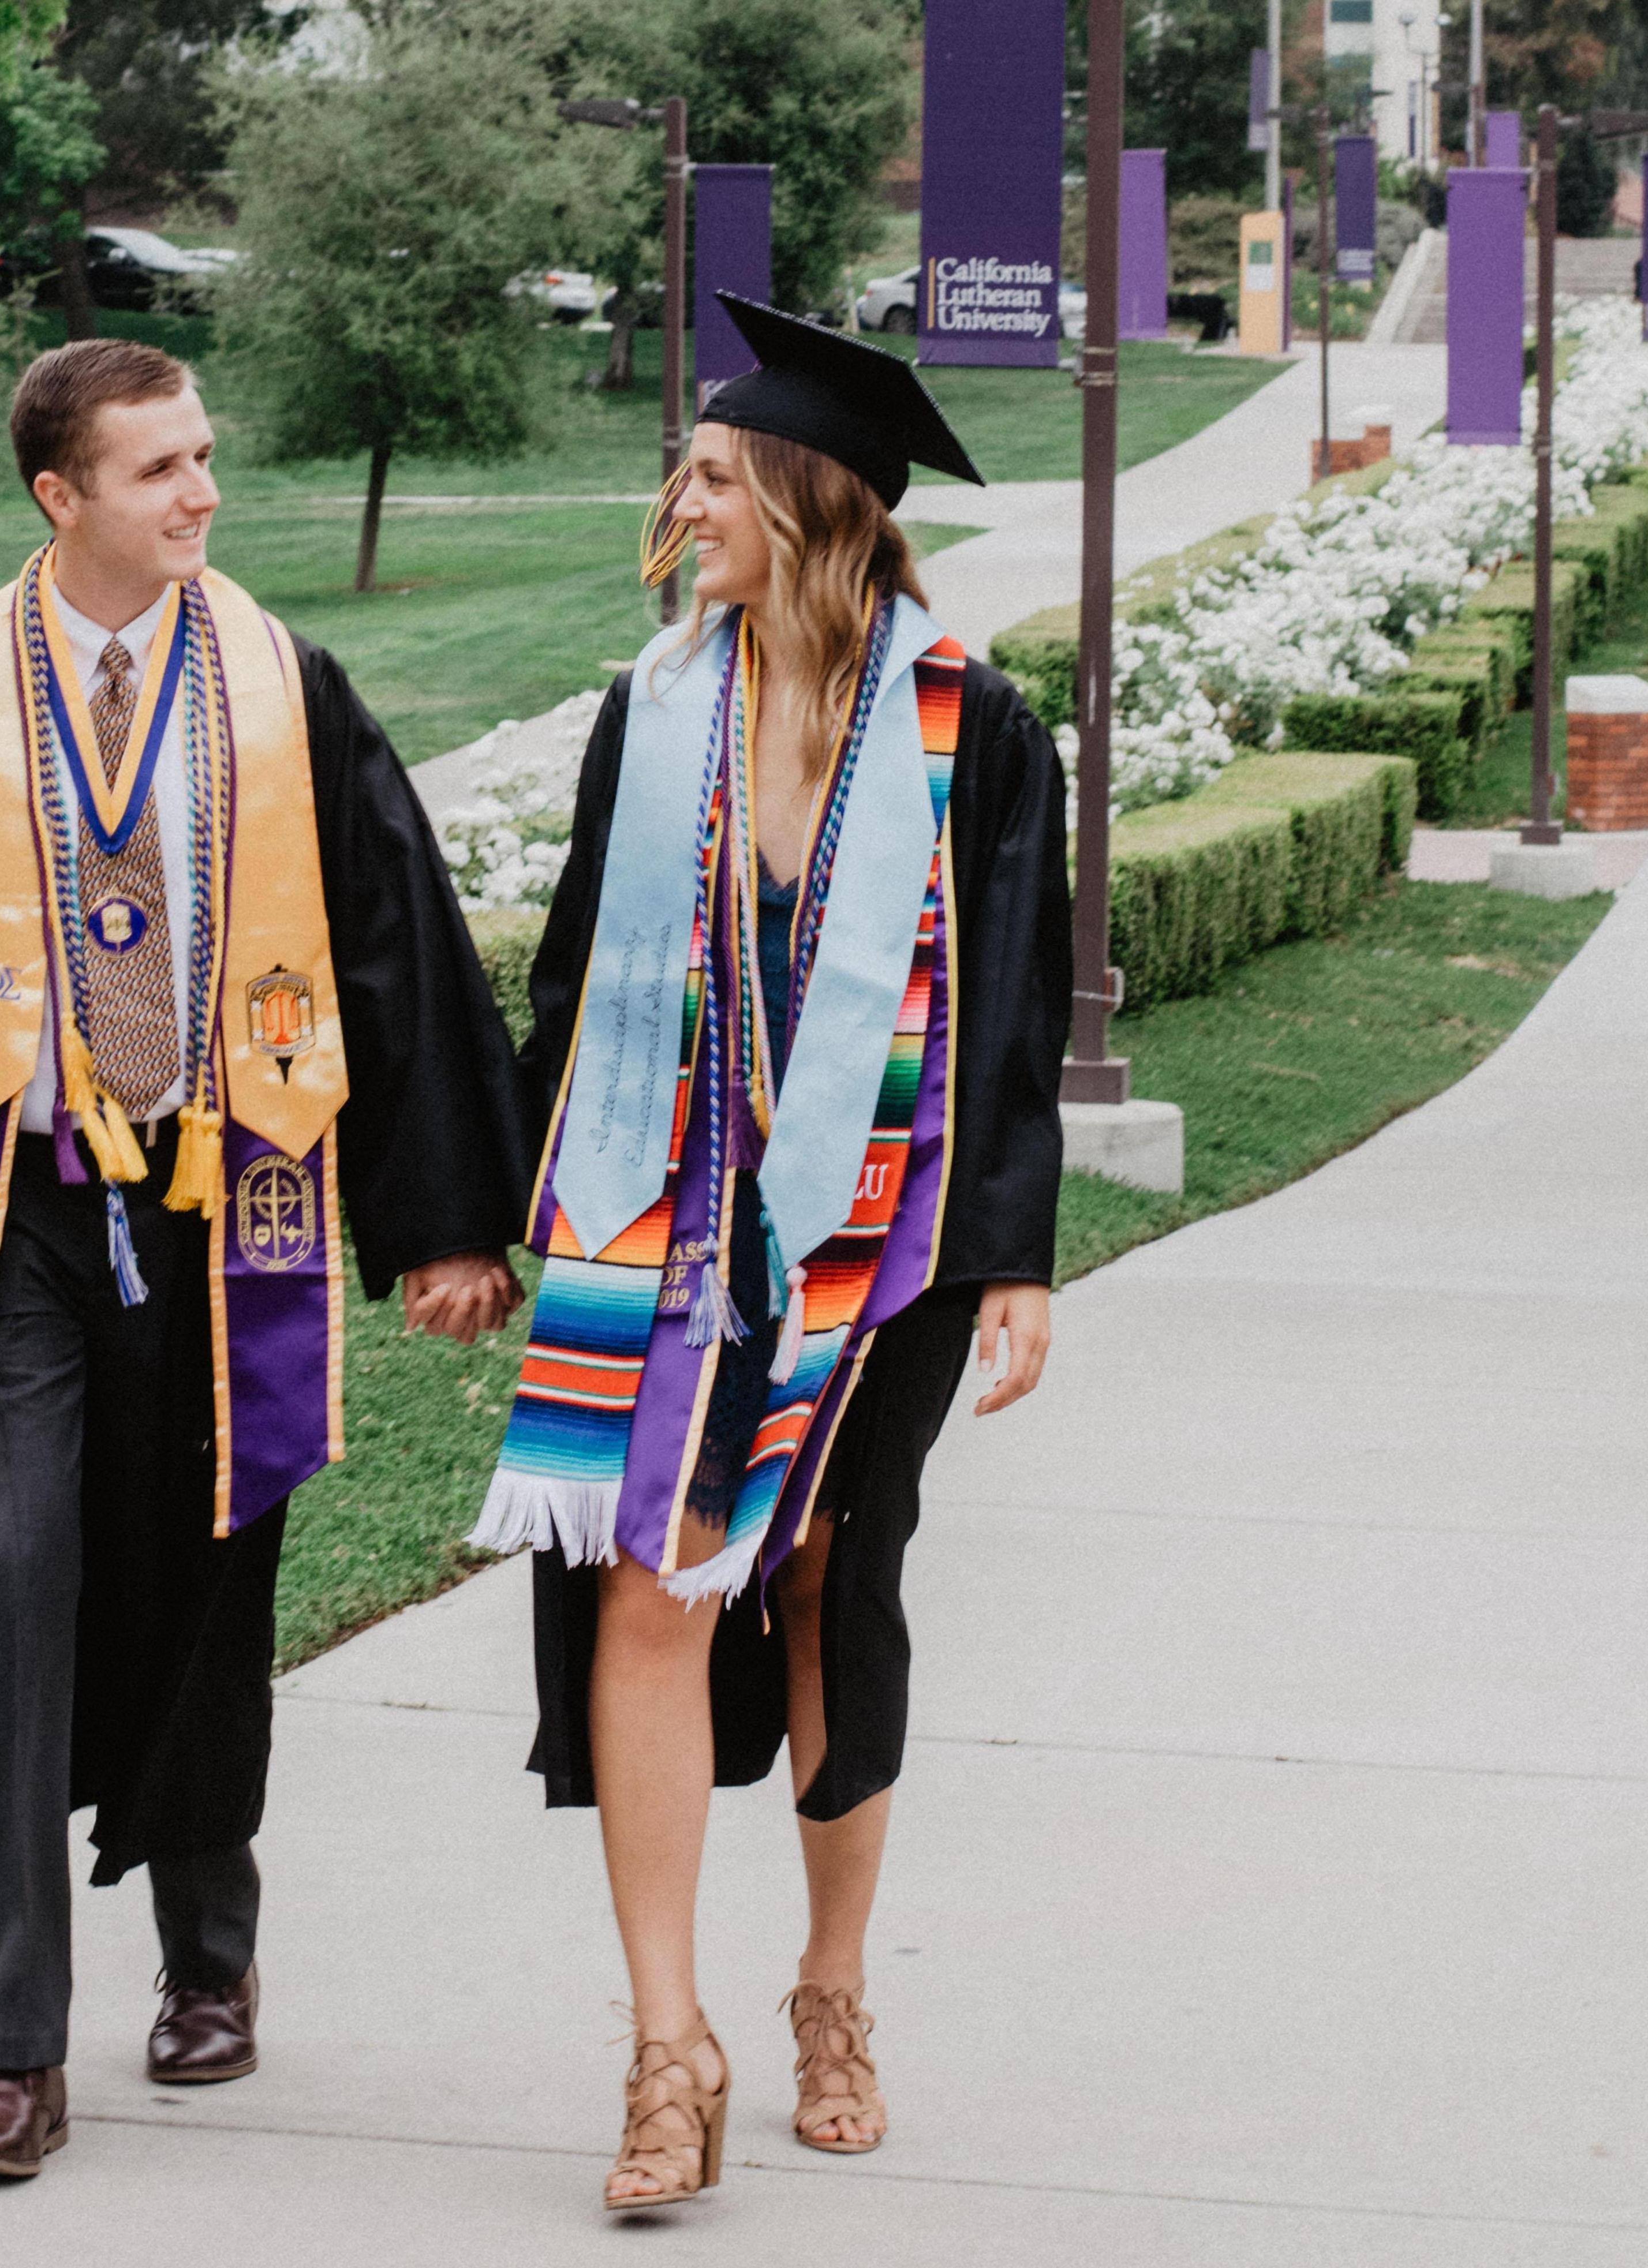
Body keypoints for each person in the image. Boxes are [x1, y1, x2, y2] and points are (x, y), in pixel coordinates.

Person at [0, 338, 527, 2180]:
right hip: (1, 1226)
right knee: (5, 1584)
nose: (202, 494)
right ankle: (11, 2047)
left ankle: (209, 1955)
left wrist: (442, 1218)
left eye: (206, 457)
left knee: (207, 1561)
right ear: (57, 497)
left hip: (216, 1197)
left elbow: (392, 936)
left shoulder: (276, 686)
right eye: (158, 467)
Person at [470, 295, 1072, 2211]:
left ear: (811, 503)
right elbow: (574, 970)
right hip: (661, 1221)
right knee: (651, 1583)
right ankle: (668, 2047)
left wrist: (1009, 1255)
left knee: (822, 1576)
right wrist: (502, 1207)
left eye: (716, 476)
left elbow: (1015, 1016)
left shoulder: (976, 727)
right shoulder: (654, 709)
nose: (684, 502)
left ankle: (828, 1987)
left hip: (874, 1242)